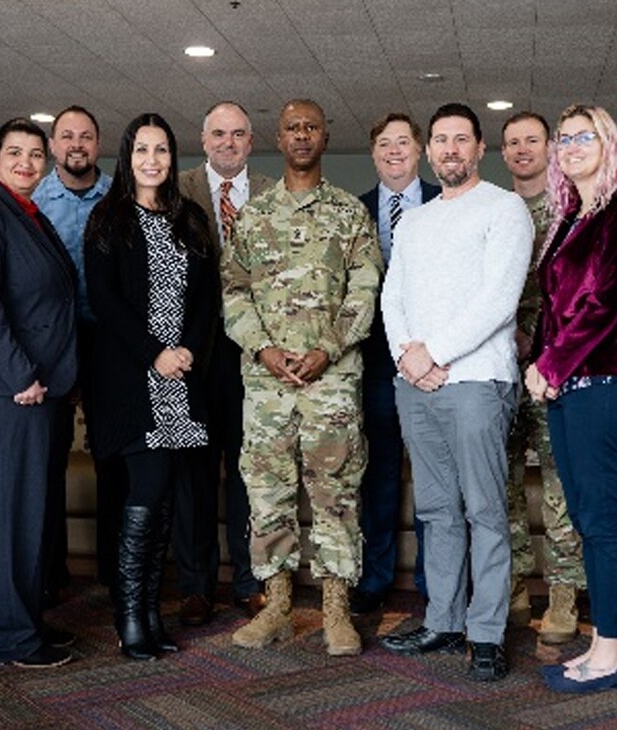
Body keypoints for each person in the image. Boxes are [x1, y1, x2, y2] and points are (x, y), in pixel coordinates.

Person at [379, 103, 533, 682]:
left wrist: (434, 354)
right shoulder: (413, 221)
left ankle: (487, 632)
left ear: (479, 148)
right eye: (440, 140)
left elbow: (498, 301)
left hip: (477, 382)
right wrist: (407, 359)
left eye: (460, 139)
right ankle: (443, 619)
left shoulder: (505, 208)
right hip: (414, 384)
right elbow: (393, 298)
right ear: (429, 150)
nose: (450, 149)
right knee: (437, 510)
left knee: (485, 511)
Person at [223, 99, 382, 656]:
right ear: (280, 136)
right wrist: (262, 347)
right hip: (266, 384)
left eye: (311, 127)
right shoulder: (253, 215)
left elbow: (365, 289)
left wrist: (328, 347)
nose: (302, 136)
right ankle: (278, 607)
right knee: (268, 494)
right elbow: (233, 291)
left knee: (335, 493)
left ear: (324, 136)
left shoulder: (347, 213)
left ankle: (337, 611)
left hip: (330, 382)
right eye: (292, 127)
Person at [525, 104, 617, 694]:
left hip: (606, 381)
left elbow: (606, 302)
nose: (572, 145)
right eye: (565, 138)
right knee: (584, 519)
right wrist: (544, 367)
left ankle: (610, 656)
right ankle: (601, 645)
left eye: (586, 136)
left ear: (608, 143)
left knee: (602, 524)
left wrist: (549, 364)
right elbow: (557, 308)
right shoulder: (573, 214)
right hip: (570, 386)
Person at [84, 113, 217, 661]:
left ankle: (152, 613)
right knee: (144, 492)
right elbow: (105, 302)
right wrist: (155, 354)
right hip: (131, 381)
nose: (152, 160)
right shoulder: (108, 217)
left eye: (162, 150)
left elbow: (206, 297)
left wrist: (184, 351)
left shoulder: (190, 218)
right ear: (127, 155)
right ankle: (129, 616)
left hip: (180, 380)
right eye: (142, 150)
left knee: (162, 500)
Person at [0, 118, 78, 668]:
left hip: (37, 388)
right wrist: (20, 374)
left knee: (31, 512)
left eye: (34, 154)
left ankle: (25, 622)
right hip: (6, 388)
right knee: (12, 515)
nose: (26, 162)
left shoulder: (30, 216)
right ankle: (9, 638)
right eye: (15, 153)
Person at [177, 101, 274, 625]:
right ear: (204, 137)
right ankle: (195, 586)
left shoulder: (271, 192)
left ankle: (247, 580)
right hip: (191, 356)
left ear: (250, 140)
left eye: (238, 134)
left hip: (251, 358)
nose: (228, 143)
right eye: (219, 133)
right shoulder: (178, 189)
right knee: (193, 475)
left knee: (247, 473)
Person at [499, 111, 585, 643]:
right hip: (500, 369)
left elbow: (581, 294)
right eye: (512, 143)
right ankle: (512, 587)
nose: (522, 149)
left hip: (556, 368)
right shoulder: (496, 208)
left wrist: (539, 341)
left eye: (532, 140)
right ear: (502, 152)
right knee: (502, 482)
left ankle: (563, 594)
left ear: (549, 147)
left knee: (559, 486)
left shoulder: (572, 210)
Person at [32, 105, 122, 605]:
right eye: (67, 136)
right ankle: (50, 574)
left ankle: (115, 573)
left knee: (112, 459)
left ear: (98, 142)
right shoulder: (34, 200)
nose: (77, 144)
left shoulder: (122, 198)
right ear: (53, 144)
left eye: (86, 136)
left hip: (110, 343)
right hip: (54, 344)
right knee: (48, 458)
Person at [353, 112, 438, 614]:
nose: (394, 151)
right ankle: (376, 578)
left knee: (432, 475)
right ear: (373, 152)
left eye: (403, 142)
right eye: (384, 143)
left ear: (419, 149)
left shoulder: (444, 204)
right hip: (375, 366)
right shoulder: (354, 211)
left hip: (430, 362)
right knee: (378, 476)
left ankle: (435, 582)